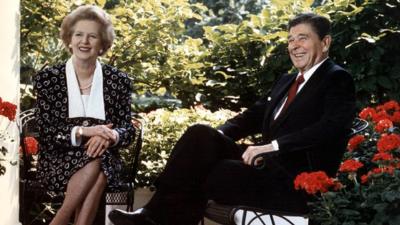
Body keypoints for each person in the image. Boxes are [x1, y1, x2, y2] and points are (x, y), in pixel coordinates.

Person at [109, 12, 356, 225]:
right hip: (265, 168)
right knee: (200, 135)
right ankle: (152, 217)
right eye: (290, 39)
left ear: (325, 43)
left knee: (218, 172)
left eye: (303, 38)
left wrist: (273, 146)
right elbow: (252, 117)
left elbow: (330, 128)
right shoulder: (287, 81)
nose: (294, 45)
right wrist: (211, 141)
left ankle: (154, 218)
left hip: (295, 182)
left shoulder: (336, 79)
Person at [32, 5, 135, 225]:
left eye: (92, 36)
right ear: (69, 39)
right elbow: (46, 131)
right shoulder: (49, 79)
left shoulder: (119, 81)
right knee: (100, 163)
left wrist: (109, 136)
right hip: (58, 159)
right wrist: (87, 131)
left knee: (100, 158)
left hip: (104, 154)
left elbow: (128, 130)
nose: (84, 42)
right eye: (78, 34)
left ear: (102, 44)